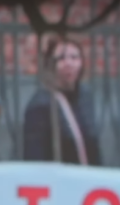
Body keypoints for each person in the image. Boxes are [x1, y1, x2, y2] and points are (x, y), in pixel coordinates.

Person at [22, 36, 102, 165]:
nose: (68, 63)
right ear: (50, 65)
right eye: (61, 58)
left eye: (74, 57)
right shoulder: (41, 105)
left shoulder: (85, 97)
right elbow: (35, 158)